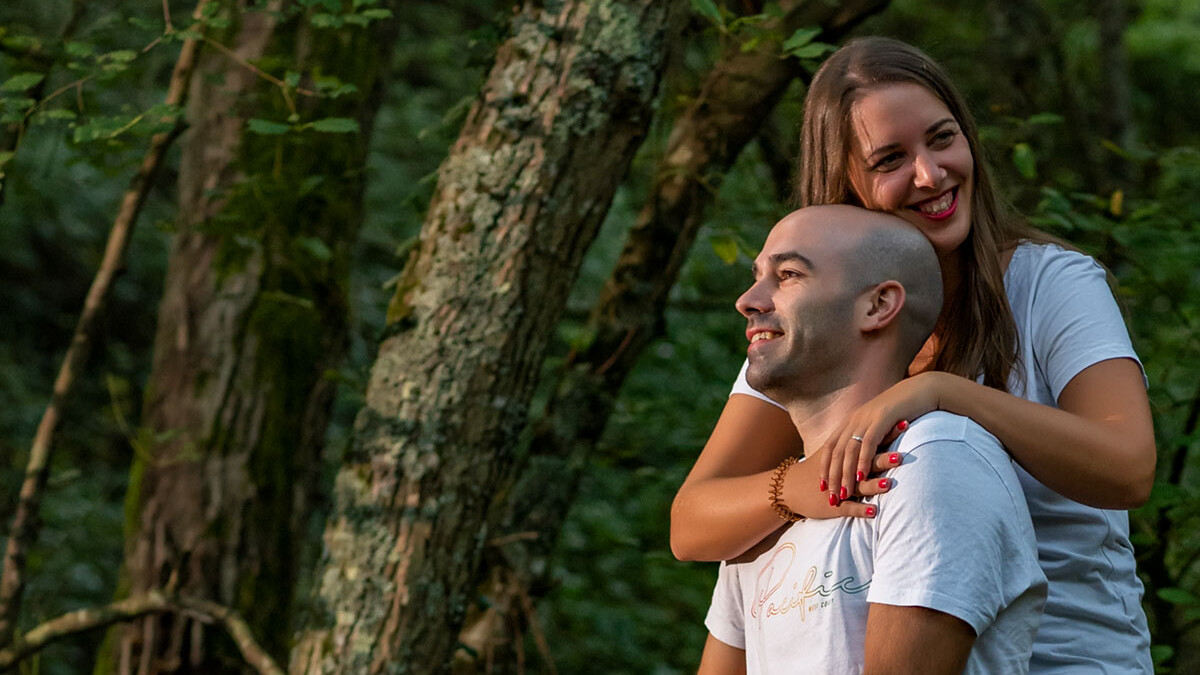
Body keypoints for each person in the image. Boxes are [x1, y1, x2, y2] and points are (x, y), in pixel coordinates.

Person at [672, 37, 1156, 673]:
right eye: (890, 159)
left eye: (942, 138)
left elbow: (1127, 467)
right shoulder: (811, 332)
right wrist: (803, 487)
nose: (930, 174)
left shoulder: (1049, 284)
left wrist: (944, 393)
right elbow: (692, 523)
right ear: (844, 182)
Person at [697, 204, 1046, 675]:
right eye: (757, 275)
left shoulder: (932, 461)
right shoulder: (772, 505)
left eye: (789, 274)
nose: (748, 299)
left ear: (878, 306)